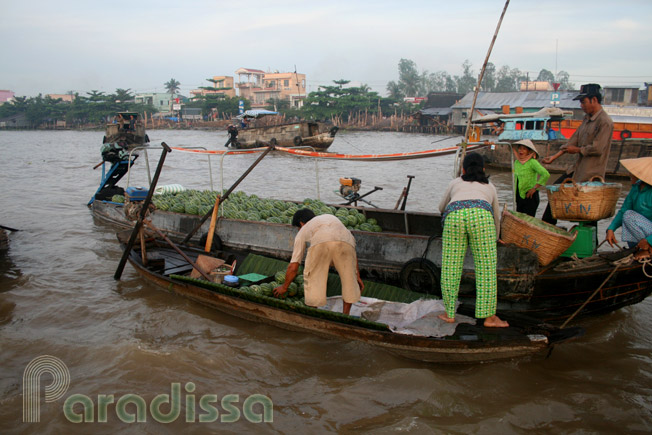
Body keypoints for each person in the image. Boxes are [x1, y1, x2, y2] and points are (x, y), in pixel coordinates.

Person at [437, 152, 509, 328]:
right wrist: (496, 237)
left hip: (454, 217)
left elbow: (441, 207)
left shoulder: (455, 182)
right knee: (486, 269)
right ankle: (489, 318)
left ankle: (449, 313)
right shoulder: (490, 186)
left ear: (463, 169)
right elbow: (496, 216)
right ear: (484, 169)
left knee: (450, 267)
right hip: (481, 218)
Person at [541, 83, 614, 225]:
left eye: (583, 102)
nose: (581, 105)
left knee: (588, 211)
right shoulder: (587, 119)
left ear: (594, 100)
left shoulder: (605, 122)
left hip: (591, 174)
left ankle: (591, 244)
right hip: (576, 171)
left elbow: (597, 149)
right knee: (555, 191)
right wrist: (554, 157)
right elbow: (572, 141)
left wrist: (578, 150)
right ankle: (548, 228)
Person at [273, 209, 364, 315]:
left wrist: (284, 287)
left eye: (298, 227)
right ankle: (345, 315)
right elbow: (353, 253)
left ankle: (313, 314)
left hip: (320, 243)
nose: (299, 230)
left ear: (301, 223)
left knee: (313, 279)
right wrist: (356, 275)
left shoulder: (304, 230)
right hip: (346, 242)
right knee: (349, 281)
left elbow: (294, 266)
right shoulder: (330, 217)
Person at [605, 157, 652, 260]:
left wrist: (649, 241)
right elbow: (624, 210)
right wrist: (611, 229)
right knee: (626, 216)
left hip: (650, 234)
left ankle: (646, 250)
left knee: (629, 216)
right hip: (643, 233)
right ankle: (638, 249)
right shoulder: (636, 188)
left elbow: (627, 213)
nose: (630, 174)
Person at [512, 139, 550, 217]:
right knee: (519, 219)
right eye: (520, 148)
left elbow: (545, 174)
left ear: (529, 151)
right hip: (519, 195)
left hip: (530, 195)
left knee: (529, 220)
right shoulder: (516, 162)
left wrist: (535, 188)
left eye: (524, 149)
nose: (521, 151)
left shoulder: (532, 162)